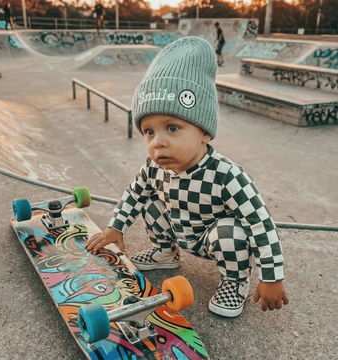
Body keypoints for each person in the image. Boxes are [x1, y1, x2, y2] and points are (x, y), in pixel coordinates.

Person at [86, 37, 289, 318]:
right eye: (149, 132)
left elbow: (261, 224)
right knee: (147, 200)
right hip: (177, 231)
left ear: (204, 132)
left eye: (172, 128)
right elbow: (133, 194)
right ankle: (164, 252)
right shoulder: (154, 167)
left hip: (210, 237)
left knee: (233, 230)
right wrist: (115, 227)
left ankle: (234, 281)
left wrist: (271, 276)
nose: (158, 142)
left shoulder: (227, 176)